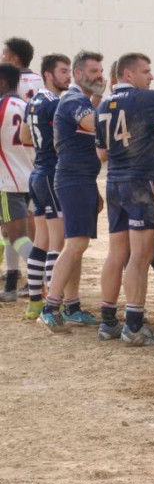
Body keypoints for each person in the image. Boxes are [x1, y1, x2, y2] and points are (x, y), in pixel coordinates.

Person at [95, 53, 154, 345]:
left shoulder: (103, 104)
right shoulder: (147, 99)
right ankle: (135, 325)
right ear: (128, 75)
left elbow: (101, 153)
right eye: (146, 71)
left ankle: (107, 322)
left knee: (116, 254)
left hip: (114, 181)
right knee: (141, 258)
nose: (151, 77)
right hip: (141, 182)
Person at [38, 51, 105, 333]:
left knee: (77, 245)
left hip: (82, 179)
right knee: (75, 244)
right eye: (93, 71)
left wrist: (100, 98)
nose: (99, 76)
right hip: (73, 180)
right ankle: (50, 307)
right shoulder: (73, 100)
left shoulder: (81, 100)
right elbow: (96, 124)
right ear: (78, 74)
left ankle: (73, 306)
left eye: (101, 71)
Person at [20, 53, 73, 322]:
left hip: (37, 173)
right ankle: (56, 304)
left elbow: (24, 136)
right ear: (49, 75)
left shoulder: (33, 102)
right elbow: (59, 142)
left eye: (69, 71)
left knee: (41, 240)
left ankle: (34, 303)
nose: (69, 76)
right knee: (57, 241)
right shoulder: (55, 104)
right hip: (52, 174)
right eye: (63, 71)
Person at [0, 63, 35, 305]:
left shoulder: (2, 107)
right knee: (8, 233)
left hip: (7, 181)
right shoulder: (27, 105)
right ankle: (10, 285)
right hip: (30, 178)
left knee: (17, 236)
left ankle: (47, 275)